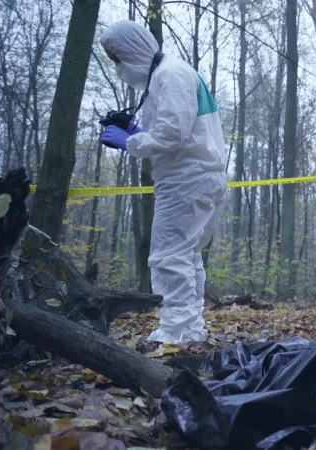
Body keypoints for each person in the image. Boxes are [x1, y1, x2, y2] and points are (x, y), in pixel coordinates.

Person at [98, 20, 227, 345]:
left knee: (169, 256)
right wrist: (137, 130)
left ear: (132, 50)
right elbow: (180, 130)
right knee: (187, 256)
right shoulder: (170, 74)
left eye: (118, 59)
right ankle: (190, 329)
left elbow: (173, 134)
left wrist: (131, 143)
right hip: (198, 176)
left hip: (187, 180)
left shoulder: (169, 74)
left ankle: (176, 335)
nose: (119, 68)